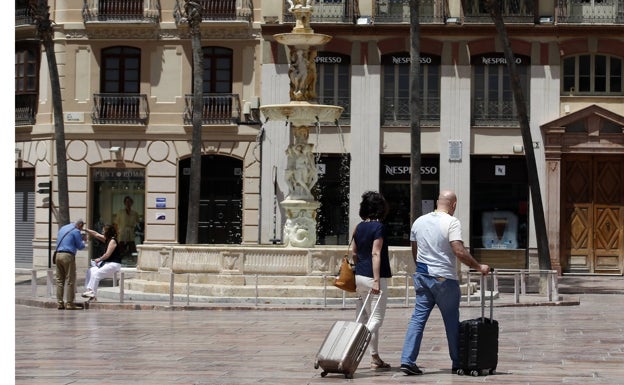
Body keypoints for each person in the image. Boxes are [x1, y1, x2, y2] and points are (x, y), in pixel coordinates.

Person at [400, 190, 490, 375]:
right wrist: (478, 266)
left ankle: (407, 360)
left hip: (423, 277)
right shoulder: (451, 222)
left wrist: (423, 270)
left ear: (437, 202)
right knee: (451, 321)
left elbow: (415, 251)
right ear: (454, 204)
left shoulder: (419, 221)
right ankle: (457, 362)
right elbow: (458, 250)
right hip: (444, 279)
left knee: (417, 319)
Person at [352, 191, 393, 371]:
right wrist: (376, 280)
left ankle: (375, 357)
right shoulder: (379, 227)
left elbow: (354, 252)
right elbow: (376, 253)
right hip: (373, 277)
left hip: (359, 277)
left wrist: (360, 268)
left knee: (365, 318)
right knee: (376, 319)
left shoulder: (358, 227)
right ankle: (354, 345)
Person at [82, 224, 122, 300]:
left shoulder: (113, 241)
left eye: (104, 231)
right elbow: (96, 234)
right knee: (90, 271)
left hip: (114, 264)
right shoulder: (107, 239)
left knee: (96, 275)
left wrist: (99, 259)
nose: (102, 232)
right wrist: (85, 230)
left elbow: (107, 254)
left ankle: (92, 293)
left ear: (108, 232)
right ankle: (89, 291)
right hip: (107, 264)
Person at [55, 219, 87, 310]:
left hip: (58, 254)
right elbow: (80, 246)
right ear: (80, 225)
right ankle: (69, 303)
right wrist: (84, 240)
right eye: (82, 228)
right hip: (67, 256)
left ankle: (60, 303)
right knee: (70, 279)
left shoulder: (63, 228)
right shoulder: (76, 231)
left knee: (59, 280)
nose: (81, 230)